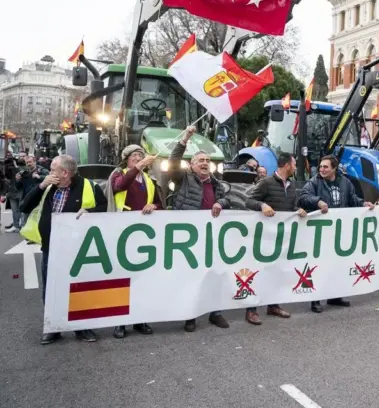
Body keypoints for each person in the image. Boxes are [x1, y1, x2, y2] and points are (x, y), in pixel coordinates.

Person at [21, 155, 108, 344]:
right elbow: (25, 206)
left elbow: (103, 207)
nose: (50, 173)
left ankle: (82, 328)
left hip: (77, 249)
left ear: (65, 173)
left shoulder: (88, 187)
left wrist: (90, 212)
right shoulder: (47, 187)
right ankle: (53, 327)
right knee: (51, 288)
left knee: (79, 288)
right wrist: (41, 186)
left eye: (53, 170)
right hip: (50, 247)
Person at [170, 126, 231, 332]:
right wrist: (185, 138)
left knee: (214, 274)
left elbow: (227, 198)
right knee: (191, 277)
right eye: (200, 161)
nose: (205, 163)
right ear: (192, 165)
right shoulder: (183, 179)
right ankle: (190, 315)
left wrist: (221, 202)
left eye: (207, 161)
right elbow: (173, 162)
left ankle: (215, 312)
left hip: (211, 237)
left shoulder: (216, 184)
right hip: (190, 238)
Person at [299, 154, 374, 312]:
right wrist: (317, 201)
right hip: (321, 232)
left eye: (325, 167)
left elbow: (352, 199)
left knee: (337, 264)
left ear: (334, 168)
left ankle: (335, 296)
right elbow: (303, 197)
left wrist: (363, 203)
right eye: (320, 167)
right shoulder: (314, 182)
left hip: (339, 231)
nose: (322, 169)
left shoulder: (345, 182)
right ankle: (316, 299)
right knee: (319, 266)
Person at [105, 145, 161, 339]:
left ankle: (140, 319)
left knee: (142, 278)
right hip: (123, 232)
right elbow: (119, 186)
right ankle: (119, 322)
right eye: (134, 156)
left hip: (143, 234)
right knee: (123, 277)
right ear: (126, 159)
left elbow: (160, 203)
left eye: (140, 156)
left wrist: (154, 205)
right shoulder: (118, 174)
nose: (138, 158)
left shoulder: (148, 180)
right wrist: (137, 168)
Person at [244, 152, 304, 324]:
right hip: (263, 237)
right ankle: (251, 310)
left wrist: (298, 210)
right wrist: (262, 205)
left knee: (277, 271)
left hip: (281, 237)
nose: (295, 167)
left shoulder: (291, 186)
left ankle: (273, 305)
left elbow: (292, 207)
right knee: (258, 272)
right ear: (287, 165)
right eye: (294, 164)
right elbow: (249, 202)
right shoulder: (266, 183)